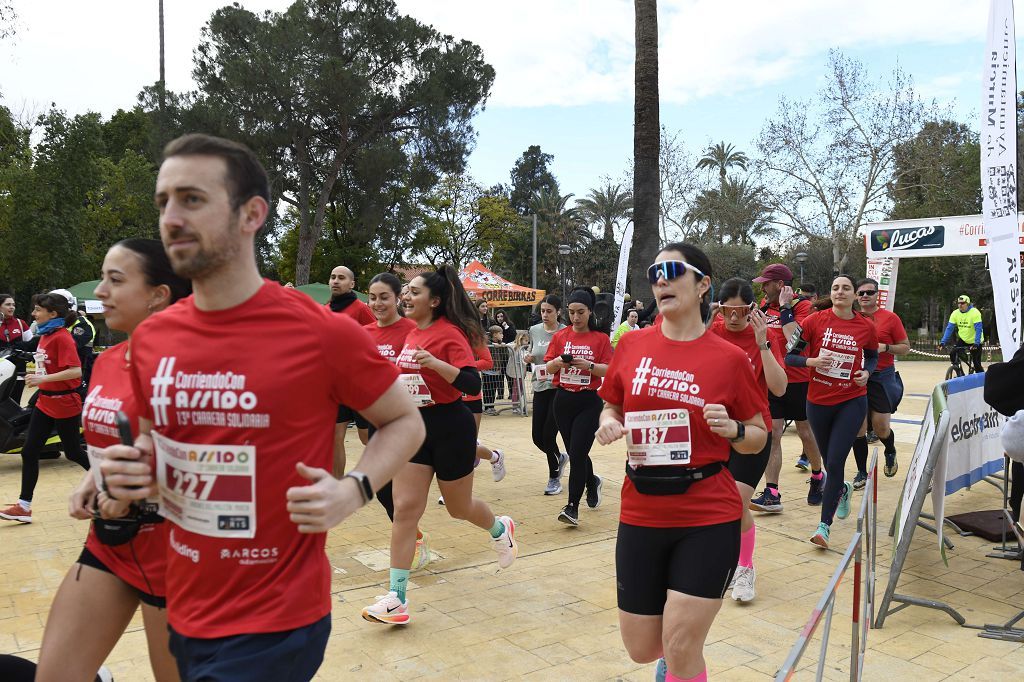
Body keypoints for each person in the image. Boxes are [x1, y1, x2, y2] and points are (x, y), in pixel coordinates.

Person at [98, 133, 424, 680]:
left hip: (278, 620)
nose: (172, 218)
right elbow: (156, 446)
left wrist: (354, 489)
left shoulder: (319, 331)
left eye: (192, 199)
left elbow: (404, 420)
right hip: (185, 603)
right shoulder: (153, 339)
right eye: (164, 203)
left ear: (252, 214)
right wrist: (120, 476)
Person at [597, 243, 768, 682]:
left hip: (707, 513)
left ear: (702, 284)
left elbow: (758, 435)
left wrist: (732, 430)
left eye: (672, 270)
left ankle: (681, 664)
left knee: (679, 643)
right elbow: (611, 404)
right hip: (641, 509)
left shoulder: (729, 359)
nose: (660, 280)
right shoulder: (632, 345)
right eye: (655, 272)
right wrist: (608, 423)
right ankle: (676, 664)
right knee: (642, 647)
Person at [35, 239, 191, 682]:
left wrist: (141, 489)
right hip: (110, 543)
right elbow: (111, 444)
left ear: (158, 294)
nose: (100, 291)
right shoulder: (107, 361)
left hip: (177, 559)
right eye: (103, 278)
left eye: (115, 280)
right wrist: (95, 481)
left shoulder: (193, 367)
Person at [361, 265, 518, 625]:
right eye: (407, 291)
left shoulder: (449, 334)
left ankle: (500, 529)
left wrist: (436, 364)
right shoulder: (413, 333)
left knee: (458, 509)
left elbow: (472, 384)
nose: (406, 297)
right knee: (404, 511)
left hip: (451, 427)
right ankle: (396, 599)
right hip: (414, 429)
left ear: (434, 300)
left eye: (413, 292)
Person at [786, 275, 878, 548]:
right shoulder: (814, 321)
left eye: (846, 288)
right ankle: (842, 488)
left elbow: (872, 356)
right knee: (830, 463)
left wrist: (867, 372)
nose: (840, 291)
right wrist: (812, 361)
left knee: (836, 463)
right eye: (836, 287)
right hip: (817, 402)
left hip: (852, 400)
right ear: (832, 293)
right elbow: (790, 356)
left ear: (853, 296)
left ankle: (823, 527)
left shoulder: (866, 326)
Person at [709, 278, 787, 603]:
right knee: (717, 506)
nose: (734, 316)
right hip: (715, 432)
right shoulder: (710, 331)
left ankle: (745, 567)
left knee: (736, 502)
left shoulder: (767, 334)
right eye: (728, 309)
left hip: (754, 432)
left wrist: (763, 343)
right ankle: (725, 563)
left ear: (752, 308)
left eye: (742, 309)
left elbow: (780, 388)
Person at [362, 272, 432, 570]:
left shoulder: (412, 329)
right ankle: (413, 536)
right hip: (380, 418)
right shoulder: (363, 333)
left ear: (397, 299)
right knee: (379, 487)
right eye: (373, 297)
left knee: (404, 492)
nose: (377, 303)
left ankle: (409, 542)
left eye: (384, 297)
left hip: (412, 419)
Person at [0, 292, 89, 523]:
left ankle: (111, 486)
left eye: (38, 310)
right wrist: (38, 375)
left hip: (64, 402)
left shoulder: (62, 337)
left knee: (73, 452)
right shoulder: (45, 335)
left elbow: (75, 371)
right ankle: (24, 507)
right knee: (30, 451)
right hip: (45, 401)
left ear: (53, 314)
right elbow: (47, 366)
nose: (33, 313)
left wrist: (43, 380)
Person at [748, 263, 825, 513]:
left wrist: (784, 308)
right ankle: (772, 492)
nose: (762, 288)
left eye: (766, 284)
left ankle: (817, 476)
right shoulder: (762, 306)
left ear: (780, 285)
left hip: (799, 379)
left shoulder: (802, 307)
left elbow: (795, 341)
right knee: (774, 433)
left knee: (805, 432)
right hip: (773, 380)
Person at [545, 287, 613, 526]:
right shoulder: (560, 337)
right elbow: (548, 368)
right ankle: (592, 480)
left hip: (589, 402)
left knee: (577, 454)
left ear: (590, 312)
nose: (576, 317)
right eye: (572, 312)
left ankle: (572, 506)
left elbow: (611, 370)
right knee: (576, 452)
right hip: (563, 401)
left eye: (581, 312)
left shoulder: (600, 339)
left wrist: (589, 366)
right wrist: (558, 362)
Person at [850, 278, 909, 483]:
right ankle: (862, 472)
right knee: (858, 426)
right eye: (861, 293)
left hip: (881, 376)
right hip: (856, 377)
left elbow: (905, 347)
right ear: (856, 296)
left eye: (869, 292)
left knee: (881, 427)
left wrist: (886, 347)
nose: (865, 296)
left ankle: (890, 450)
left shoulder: (890, 318)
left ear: (877, 295)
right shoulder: (850, 317)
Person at [328, 264, 377, 477]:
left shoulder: (361, 309)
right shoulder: (325, 309)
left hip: (360, 385)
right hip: (336, 387)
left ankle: (392, 472)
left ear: (352, 284)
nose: (336, 281)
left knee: (366, 438)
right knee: (334, 436)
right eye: (333, 277)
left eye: (341, 277)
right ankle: (336, 485)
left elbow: (378, 336)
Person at [525, 295, 568, 495]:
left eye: (549, 311)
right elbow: (534, 353)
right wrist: (529, 356)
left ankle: (554, 478)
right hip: (540, 386)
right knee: (537, 437)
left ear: (558, 312)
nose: (544, 315)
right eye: (542, 311)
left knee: (549, 435)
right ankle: (559, 457)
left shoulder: (565, 332)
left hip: (559, 388)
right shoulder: (534, 331)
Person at [50, 288, 97, 389]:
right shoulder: (56, 326)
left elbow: (72, 344)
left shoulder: (82, 324)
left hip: (80, 370)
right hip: (61, 371)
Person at [939, 294, 984, 375]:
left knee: (976, 363)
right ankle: (958, 371)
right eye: (959, 303)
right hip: (964, 339)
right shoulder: (955, 313)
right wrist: (943, 342)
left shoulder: (975, 312)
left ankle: (983, 381)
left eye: (963, 303)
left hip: (976, 340)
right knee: (953, 353)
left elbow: (978, 329)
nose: (960, 305)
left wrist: (976, 343)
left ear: (968, 304)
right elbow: (949, 328)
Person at [0, 292, 32, 404]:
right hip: (1, 371)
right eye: (8, 304)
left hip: (18, 372)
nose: (12, 307)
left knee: (14, 403)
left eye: (13, 304)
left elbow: (31, 344)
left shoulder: (21, 323)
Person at [482, 324, 508, 412]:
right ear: (495, 334)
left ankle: (491, 406)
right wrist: (493, 344)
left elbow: (505, 354)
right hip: (487, 370)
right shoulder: (487, 342)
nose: (502, 335)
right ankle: (486, 406)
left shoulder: (500, 343)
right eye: (500, 333)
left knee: (493, 389)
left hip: (497, 369)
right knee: (487, 389)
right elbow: (485, 342)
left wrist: (502, 345)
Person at [506, 330, 529, 412]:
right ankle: (514, 406)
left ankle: (518, 404)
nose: (527, 342)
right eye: (526, 340)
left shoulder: (524, 349)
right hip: (516, 371)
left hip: (522, 371)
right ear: (520, 339)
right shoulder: (513, 346)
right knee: (516, 389)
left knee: (521, 388)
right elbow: (507, 345)